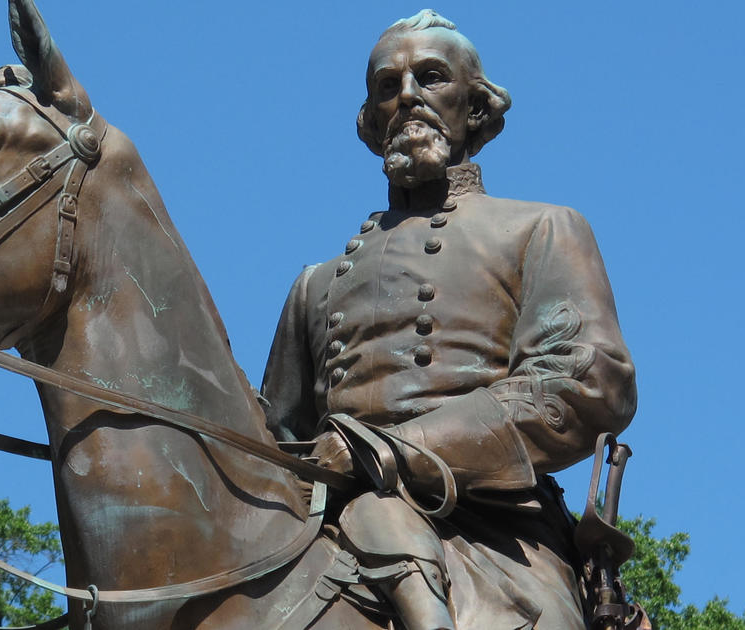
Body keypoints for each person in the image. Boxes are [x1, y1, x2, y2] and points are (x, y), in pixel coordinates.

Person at [261, 10, 637, 629]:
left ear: (476, 106)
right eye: (387, 85)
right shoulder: (316, 284)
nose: (406, 96)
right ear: (371, 121)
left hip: (493, 528)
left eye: (430, 77)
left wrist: (388, 452)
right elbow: (274, 439)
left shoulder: (541, 229)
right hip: (330, 526)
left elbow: (585, 384)